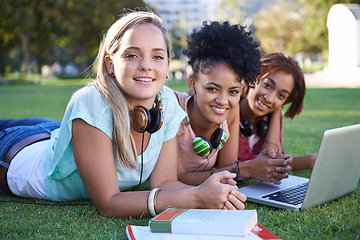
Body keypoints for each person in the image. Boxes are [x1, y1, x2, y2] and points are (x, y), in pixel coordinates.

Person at [0, 11, 247, 218]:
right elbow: (108, 203)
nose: (146, 65)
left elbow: (165, 183)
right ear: (109, 63)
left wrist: (210, 191)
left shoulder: (168, 104)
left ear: (167, 65)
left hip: (51, 135)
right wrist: (195, 197)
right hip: (15, 155)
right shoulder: (91, 103)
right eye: (132, 55)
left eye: (157, 56)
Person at [175, 21, 292, 186]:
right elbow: (177, 177)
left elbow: (226, 167)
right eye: (213, 89)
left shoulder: (231, 109)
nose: (223, 101)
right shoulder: (174, 111)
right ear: (192, 82)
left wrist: (260, 164)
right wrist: (246, 169)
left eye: (233, 92)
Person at [238, 52, 316, 173]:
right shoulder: (229, 111)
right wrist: (309, 161)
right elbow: (262, 166)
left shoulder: (271, 113)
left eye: (281, 95)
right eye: (267, 85)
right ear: (254, 77)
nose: (269, 98)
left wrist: (277, 110)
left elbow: (273, 158)